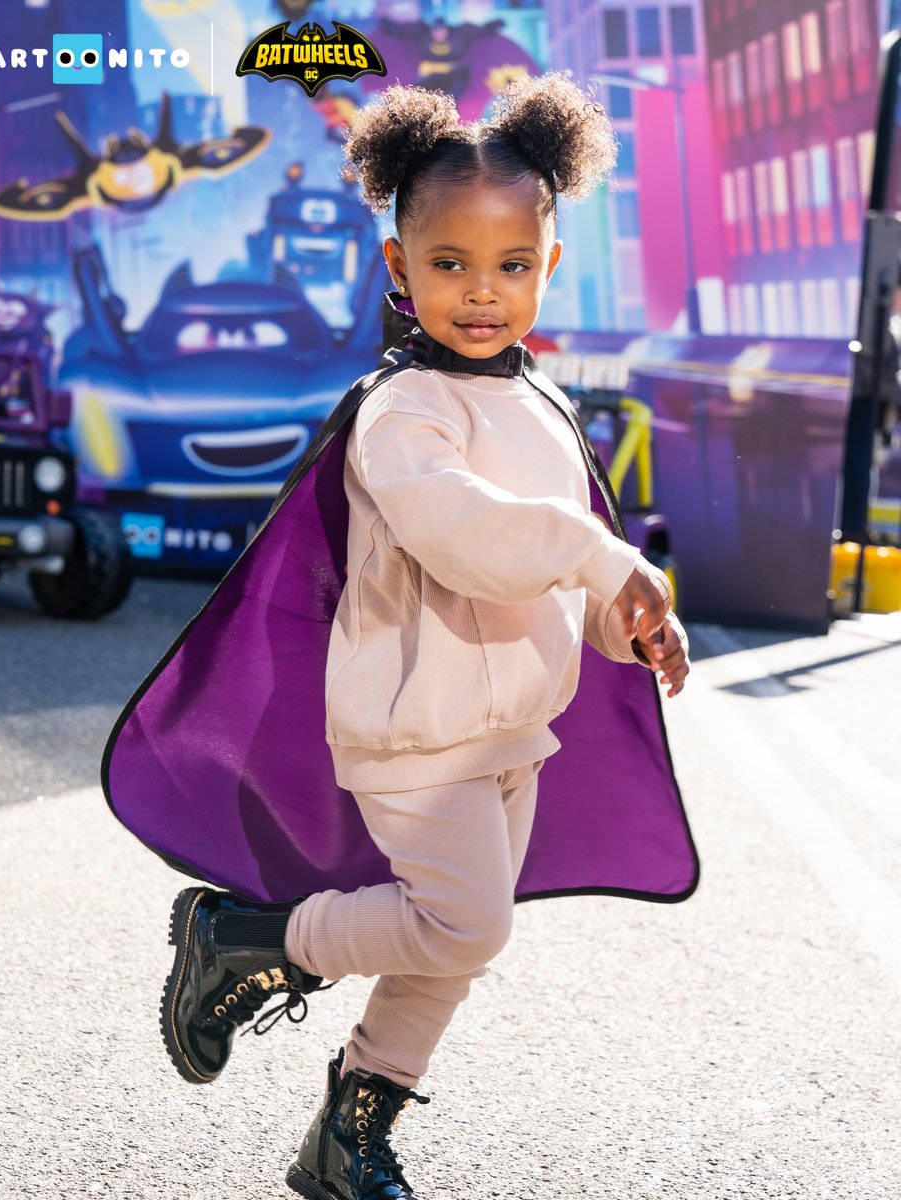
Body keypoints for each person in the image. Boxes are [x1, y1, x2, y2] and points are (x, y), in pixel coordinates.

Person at [155, 75, 691, 1199]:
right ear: (398, 268)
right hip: (417, 725)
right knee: (464, 926)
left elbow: (553, 570)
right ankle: (252, 940)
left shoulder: (540, 403)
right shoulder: (403, 411)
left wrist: (620, 615)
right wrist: (599, 556)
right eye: (448, 264)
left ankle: (350, 1132)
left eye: (508, 266)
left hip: (508, 728)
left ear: (548, 268)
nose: (481, 293)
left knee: (443, 948)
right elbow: (473, 540)